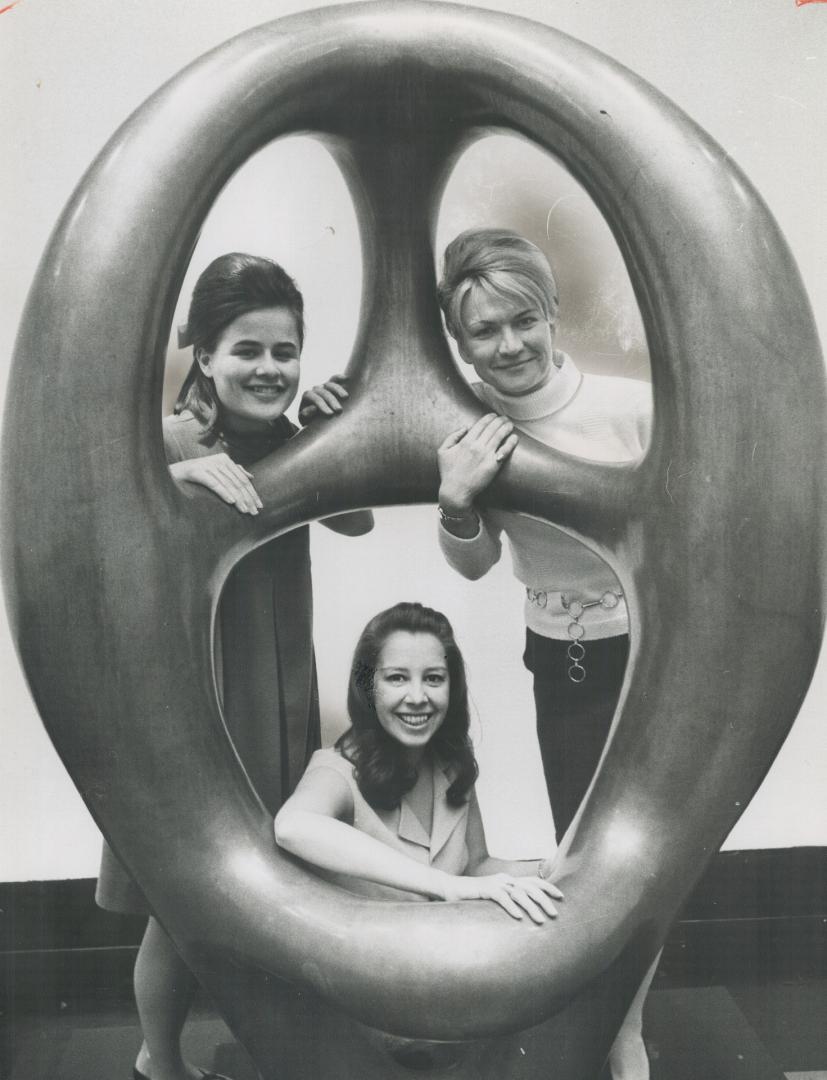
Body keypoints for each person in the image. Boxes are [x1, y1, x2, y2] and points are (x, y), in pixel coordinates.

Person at [95, 252, 373, 1080]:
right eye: (245, 350)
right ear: (204, 358)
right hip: (197, 701)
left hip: (278, 689)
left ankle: (260, 1055)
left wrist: (333, 434)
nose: (268, 368)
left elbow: (356, 520)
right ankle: (160, 1063)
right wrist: (172, 469)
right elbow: (92, 518)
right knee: (180, 906)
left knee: (268, 879)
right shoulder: (169, 437)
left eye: (284, 352)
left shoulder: (291, 437)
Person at [434, 228, 653, 1079]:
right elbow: (478, 559)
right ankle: (604, 1015)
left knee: (644, 852)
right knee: (582, 842)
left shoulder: (631, 406)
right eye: (482, 332)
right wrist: (456, 500)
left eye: (522, 320)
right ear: (458, 342)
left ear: (553, 312)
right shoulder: (466, 426)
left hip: (645, 651)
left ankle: (625, 1033)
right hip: (553, 654)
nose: (508, 345)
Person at [275, 600, 563, 919]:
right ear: (368, 687)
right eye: (397, 678)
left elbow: (476, 867)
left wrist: (548, 869)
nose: (417, 698)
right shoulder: (336, 768)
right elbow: (292, 826)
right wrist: (442, 884)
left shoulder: (451, 765)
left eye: (434, 678)